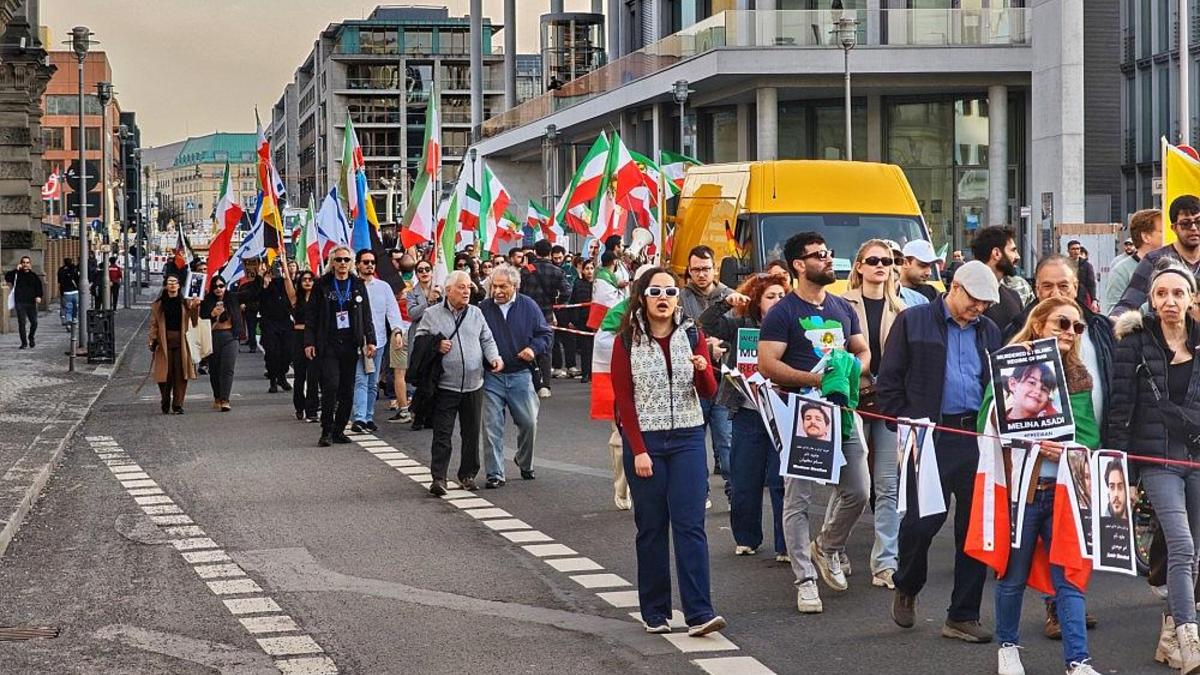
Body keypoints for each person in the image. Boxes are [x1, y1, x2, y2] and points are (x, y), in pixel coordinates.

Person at [878, 260, 1001, 644]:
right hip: (927, 435)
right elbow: (890, 378)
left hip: (977, 437)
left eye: (986, 303)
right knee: (921, 522)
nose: (979, 308)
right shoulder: (913, 321)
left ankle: (963, 614)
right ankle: (907, 584)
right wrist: (902, 424)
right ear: (956, 288)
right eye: (975, 300)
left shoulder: (989, 330)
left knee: (976, 528)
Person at [981, 296, 1100, 675]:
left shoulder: (1078, 374)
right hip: (1022, 490)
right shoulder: (1010, 365)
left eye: (1077, 326)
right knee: (1012, 575)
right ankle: (1007, 648)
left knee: (1069, 577)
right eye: (1062, 323)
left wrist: (1065, 449)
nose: (1070, 332)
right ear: (1038, 324)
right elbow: (986, 422)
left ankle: (1078, 661)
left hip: (1064, 491)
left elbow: (1089, 437)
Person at [758, 232, 871, 614]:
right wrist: (816, 379)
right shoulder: (783, 312)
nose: (828, 259)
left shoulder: (842, 307)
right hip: (803, 414)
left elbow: (862, 350)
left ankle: (827, 545)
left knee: (858, 490)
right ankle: (805, 579)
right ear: (799, 265)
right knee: (799, 500)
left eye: (829, 252)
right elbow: (767, 364)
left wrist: (851, 368)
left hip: (843, 411)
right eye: (819, 255)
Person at [611, 265, 726, 637]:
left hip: (688, 438)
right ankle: (656, 611)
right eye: (656, 292)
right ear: (643, 297)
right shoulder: (627, 339)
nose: (664, 298)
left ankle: (700, 613)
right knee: (652, 527)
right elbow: (624, 401)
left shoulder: (692, 333)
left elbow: (709, 392)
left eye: (671, 292)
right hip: (646, 442)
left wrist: (703, 368)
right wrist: (638, 450)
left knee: (690, 525)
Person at [1108, 260, 1200, 675]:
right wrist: (1123, 475)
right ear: (1150, 300)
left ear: (1191, 298)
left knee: (1194, 552)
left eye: (1178, 293)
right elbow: (1120, 411)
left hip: (1196, 458)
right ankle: (1189, 637)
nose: (1170, 301)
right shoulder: (1135, 342)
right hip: (1156, 460)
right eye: (1161, 294)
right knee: (1181, 544)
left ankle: (1168, 638)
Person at [699, 271, 789, 561]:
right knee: (744, 479)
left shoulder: (793, 326)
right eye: (770, 296)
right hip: (747, 413)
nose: (777, 301)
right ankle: (747, 538)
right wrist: (725, 303)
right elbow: (706, 324)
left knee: (781, 481)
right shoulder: (741, 326)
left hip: (783, 413)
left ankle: (786, 543)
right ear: (756, 301)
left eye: (782, 296)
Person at [840, 239, 910, 590]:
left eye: (887, 260)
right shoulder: (842, 303)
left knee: (888, 485)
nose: (881, 265)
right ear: (860, 266)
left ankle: (885, 563)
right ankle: (833, 548)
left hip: (888, 403)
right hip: (853, 399)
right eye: (873, 260)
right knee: (851, 483)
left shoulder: (902, 308)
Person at [415, 270, 502, 494]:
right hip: (445, 385)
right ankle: (439, 478)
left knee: (471, 434)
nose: (466, 291)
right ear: (448, 290)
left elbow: (487, 339)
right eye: (461, 287)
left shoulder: (476, 313)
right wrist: (436, 345)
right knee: (442, 433)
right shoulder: (432, 314)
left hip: (474, 384)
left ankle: (467, 475)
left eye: (468, 287)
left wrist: (494, 357)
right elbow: (419, 341)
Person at [480, 266, 553, 488]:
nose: (497, 291)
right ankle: (495, 473)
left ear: (515, 286)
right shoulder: (483, 308)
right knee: (492, 426)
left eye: (503, 286)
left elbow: (545, 334)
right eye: (494, 286)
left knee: (529, 422)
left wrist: (533, 349)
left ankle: (524, 460)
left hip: (521, 373)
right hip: (491, 376)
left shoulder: (528, 306)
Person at [303, 246, 376, 447]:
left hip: (351, 343)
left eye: (346, 259)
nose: (343, 263)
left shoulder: (357, 284)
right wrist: (309, 342)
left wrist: (371, 340)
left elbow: (366, 314)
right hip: (329, 343)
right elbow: (311, 316)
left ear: (351, 262)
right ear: (332, 262)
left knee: (347, 390)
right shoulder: (322, 285)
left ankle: (339, 430)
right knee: (331, 386)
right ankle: (326, 430)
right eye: (339, 260)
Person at [679, 244, 735, 491]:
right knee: (694, 443)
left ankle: (734, 493)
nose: (701, 274)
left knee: (726, 442)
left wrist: (723, 345)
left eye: (706, 269)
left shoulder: (730, 296)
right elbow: (677, 337)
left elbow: (741, 334)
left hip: (724, 382)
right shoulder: (680, 298)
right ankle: (699, 492)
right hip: (693, 383)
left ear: (715, 269)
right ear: (689, 271)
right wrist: (704, 349)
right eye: (696, 270)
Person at [351, 249, 405, 433]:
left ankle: (368, 416)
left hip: (379, 340)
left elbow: (393, 311)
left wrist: (397, 331)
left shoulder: (383, 287)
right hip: (358, 341)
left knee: (372, 382)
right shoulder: (352, 285)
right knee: (360, 379)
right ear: (357, 264)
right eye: (365, 262)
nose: (369, 266)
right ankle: (359, 417)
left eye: (372, 262)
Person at [519, 239, 570, 398]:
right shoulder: (557, 271)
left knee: (528, 349)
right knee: (546, 350)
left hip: (526, 315)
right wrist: (556, 302)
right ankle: (545, 386)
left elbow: (518, 291)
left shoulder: (526, 270)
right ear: (550, 253)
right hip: (547, 314)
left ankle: (530, 383)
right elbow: (567, 292)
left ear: (535, 252)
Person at [149, 275, 200, 414]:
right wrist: (152, 339)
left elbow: (194, 321)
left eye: (175, 282)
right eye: (169, 282)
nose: (172, 284)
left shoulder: (185, 303)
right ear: (165, 286)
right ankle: (165, 400)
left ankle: (178, 404)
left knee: (180, 373)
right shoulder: (158, 305)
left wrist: (195, 307)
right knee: (164, 374)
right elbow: (153, 324)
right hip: (163, 342)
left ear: (179, 285)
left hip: (182, 342)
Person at [1105, 209, 1164, 314]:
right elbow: (1114, 315)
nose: (1169, 235)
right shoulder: (1121, 271)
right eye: (1162, 231)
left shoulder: (1174, 266)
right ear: (1146, 237)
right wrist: (1155, 303)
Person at [199, 277, 242, 412]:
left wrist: (260, 277)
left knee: (227, 369)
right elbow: (201, 319)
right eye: (215, 287)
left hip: (231, 337)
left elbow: (251, 293)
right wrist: (212, 314)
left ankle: (225, 399)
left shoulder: (232, 298)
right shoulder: (207, 301)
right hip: (213, 337)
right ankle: (217, 396)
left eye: (221, 286)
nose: (218, 289)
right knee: (214, 370)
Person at [971, 226, 1026, 330]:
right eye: (1013, 250)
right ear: (996, 253)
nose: (1017, 256)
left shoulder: (1014, 296)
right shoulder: (969, 297)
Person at [288, 270, 320, 422]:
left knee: (313, 375)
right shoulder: (296, 298)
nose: (307, 282)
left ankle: (312, 410)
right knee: (299, 375)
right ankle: (299, 407)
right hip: (298, 337)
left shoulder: (319, 299)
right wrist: (284, 264)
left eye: (310, 279)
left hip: (313, 338)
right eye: (304, 279)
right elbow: (287, 283)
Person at [258, 262, 295, 393]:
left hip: (285, 321)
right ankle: (273, 380)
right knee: (272, 353)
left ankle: (282, 375)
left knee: (288, 351)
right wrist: (263, 284)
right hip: (269, 322)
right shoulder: (262, 283)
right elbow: (256, 298)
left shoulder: (285, 282)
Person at [567, 257, 595, 382]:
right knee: (585, 348)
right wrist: (573, 320)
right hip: (583, 320)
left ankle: (593, 373)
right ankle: (585, 373)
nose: (589, 271)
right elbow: (573, 302)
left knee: (595, 348)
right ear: (582, 270)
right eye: (587, 268)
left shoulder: (598, 284)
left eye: (592, 268)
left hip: (596, 320)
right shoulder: (578, 284)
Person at [4, 256, 42, 349]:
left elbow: (38, 287)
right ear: (21, 264)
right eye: (23, 262)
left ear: (30, 264)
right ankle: (24, 343)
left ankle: (31, 337)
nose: (25, 264)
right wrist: (16, 270)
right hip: (20, 302)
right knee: (22, 323)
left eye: (27, 262)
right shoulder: (17, 275)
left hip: (31, 302)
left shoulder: (34, 276)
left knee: (34, 322)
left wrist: (38, 296)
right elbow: (7, 277)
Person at [236, 258, 264, 353]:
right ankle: (252, 344)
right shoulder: (246, 282)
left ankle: (260, 342)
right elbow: (244, 293)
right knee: (251, 326)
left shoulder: (267, 279)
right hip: (250, 306)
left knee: (263, 326)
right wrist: (242, 303)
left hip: (263, 307)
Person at [1065, 240, 1098, 312]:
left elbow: (1091, 284)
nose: (1076, 251)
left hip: (1082, 297)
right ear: (1068, 251)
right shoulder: (1064, 265)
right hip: (1067, 296)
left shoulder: (1086, 265)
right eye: (1073, 249)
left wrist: (1094, 300)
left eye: (1078, 248)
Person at [57, 257, 80, 327]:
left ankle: (68, 320)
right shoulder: (75, 269)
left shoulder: (61, 270)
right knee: (75, 306)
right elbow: (78, 279)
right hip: (75, 291)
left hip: (65, 292)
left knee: (67, 307)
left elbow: (59, 281)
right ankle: (74, 318)